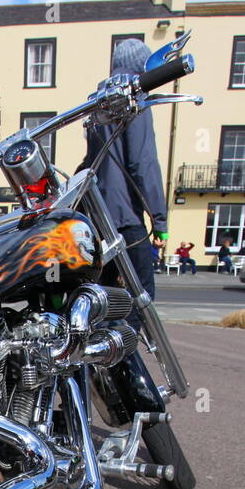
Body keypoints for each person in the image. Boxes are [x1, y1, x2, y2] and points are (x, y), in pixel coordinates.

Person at [79, 38, 167, 302]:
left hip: (98, 218)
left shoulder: (98, 102)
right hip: (126, 217)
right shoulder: (134, 99)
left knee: (104, 297)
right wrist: (160, 220)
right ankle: (129, 345)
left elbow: (90, 162)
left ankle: (100, 341)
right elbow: (142, 163)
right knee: (141, 296)